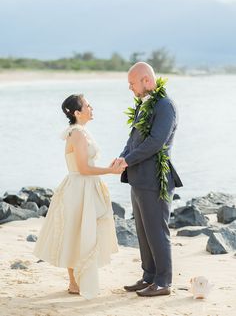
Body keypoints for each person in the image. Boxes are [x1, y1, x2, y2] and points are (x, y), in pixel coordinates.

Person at [34, 94, 121, 300]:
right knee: (76, 233)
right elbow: (83, 168)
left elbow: (85, 165)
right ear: (77, 112)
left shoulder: (80, 131)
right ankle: (75, 282)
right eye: (88, 105)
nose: (92, 108)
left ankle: (77, 281)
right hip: (79, 188)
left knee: (80, 232)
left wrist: (108, 169)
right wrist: (110, 171)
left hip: (84, 187)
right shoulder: (78, 134)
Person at [118, 62, 183, 297]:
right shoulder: (143, 105)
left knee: (157, 231)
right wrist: (122, 157)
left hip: (156, 178)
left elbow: (156, 142)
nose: (130, 88)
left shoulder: (166, 106)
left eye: (132, 83)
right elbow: (133, 138)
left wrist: (127, 161)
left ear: (146, 80)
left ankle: (163, 282)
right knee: (143, 231)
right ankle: (149, 277)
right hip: (138, 178)